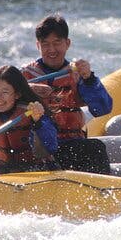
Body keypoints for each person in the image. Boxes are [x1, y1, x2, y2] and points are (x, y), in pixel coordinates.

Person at [21, 14, 113, 174]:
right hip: (38, 147)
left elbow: (102, 109)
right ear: (38, 45)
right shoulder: (23, 76)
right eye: (45, 44)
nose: (51, 50)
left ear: (67, 43)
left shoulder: (78, 74)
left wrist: (89, 79)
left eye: (57, 43)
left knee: (96, 148)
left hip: (70, 144)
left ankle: (100, 195)